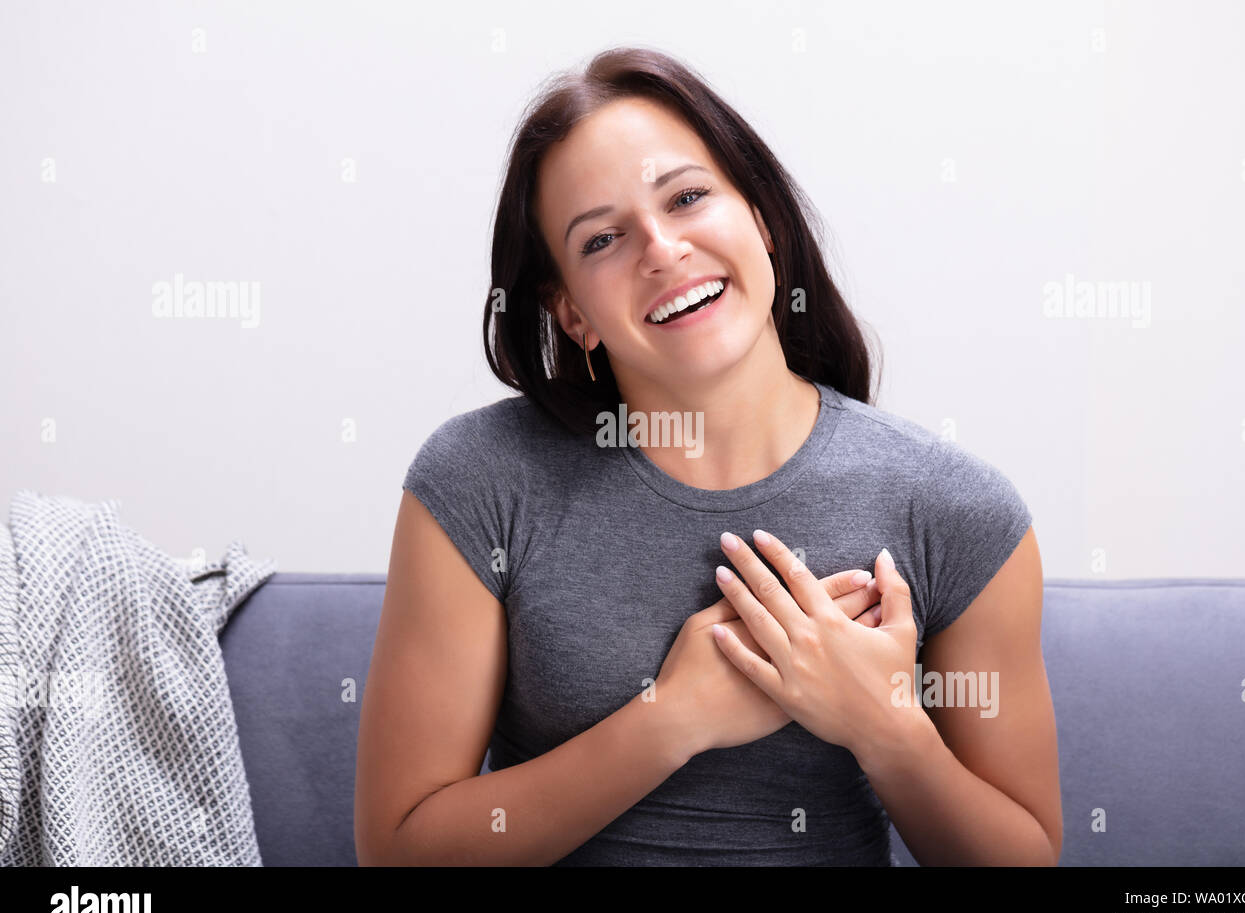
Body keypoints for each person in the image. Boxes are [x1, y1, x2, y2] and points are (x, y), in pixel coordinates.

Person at [355, 46, 1062, 866]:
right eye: (602, 240)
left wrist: (886, 725)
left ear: (759, 219)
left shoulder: (955, 509)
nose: (662, 249)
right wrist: (671, 719)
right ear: (572, 314)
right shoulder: (480, 481)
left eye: (687, 197)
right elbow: (397, 851)